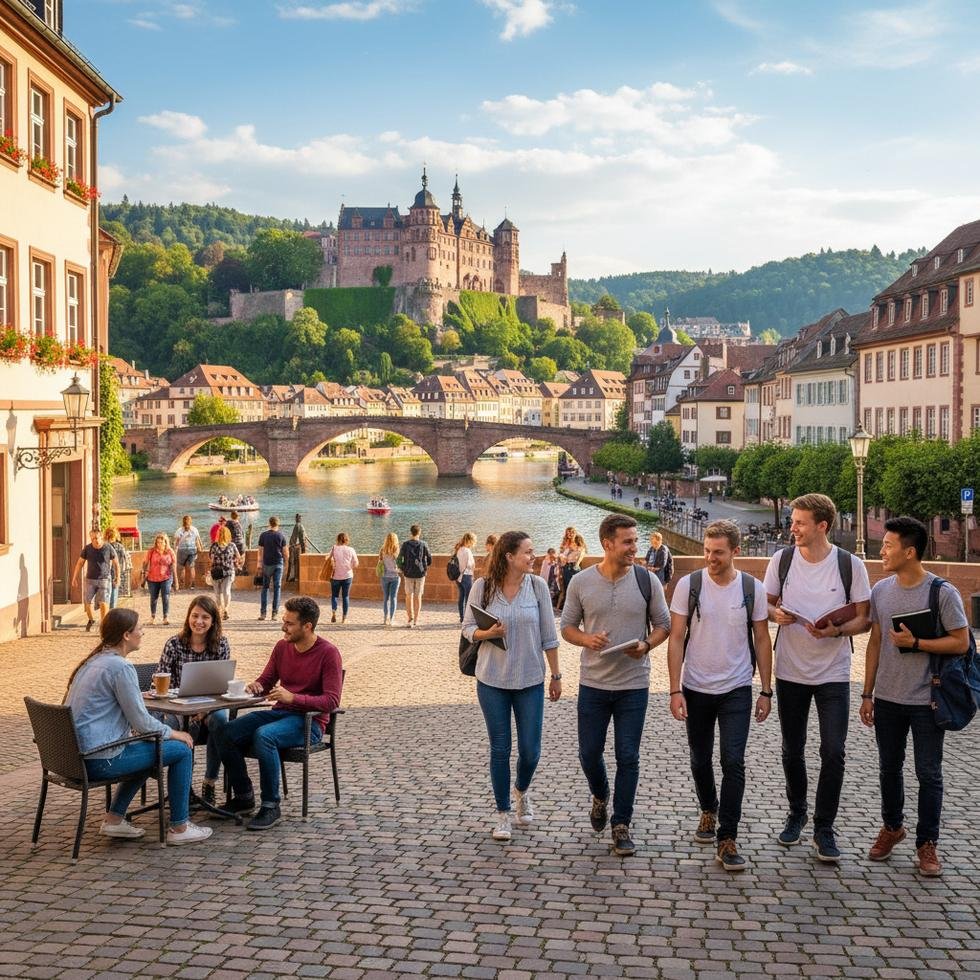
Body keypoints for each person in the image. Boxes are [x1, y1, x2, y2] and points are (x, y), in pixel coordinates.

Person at [861, 516, 971, 877]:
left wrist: (918, 643)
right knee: (889, 769)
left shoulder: (942, 592)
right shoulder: (881, 591)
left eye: (889, 545)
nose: (882, 551)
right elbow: (875, 641)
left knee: (929, 773)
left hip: (928, 700)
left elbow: (962, 641)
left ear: (910, 552)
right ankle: (893, 827)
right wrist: (867, 693)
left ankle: (927, 844)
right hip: (889, 699)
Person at [765, 492, 871, 863]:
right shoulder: (782, 560)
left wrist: (837, 632)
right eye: (793, 521)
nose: (792, 528)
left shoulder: (849, 565)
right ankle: (797, 812)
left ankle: (824, 827)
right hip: (791, 670)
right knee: (792, 750)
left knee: (834, 751)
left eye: (799, 523)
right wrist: (775, 614)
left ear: (821, 526)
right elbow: (766, 603)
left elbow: (864, 617)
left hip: (833, 674)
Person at [666, 520, 774, 872]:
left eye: (718, 552)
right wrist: (674, 688)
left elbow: (761, 639)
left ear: (735, 552)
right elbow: (677, 637)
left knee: (733, 761)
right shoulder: (689, 585)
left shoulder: (751, 588)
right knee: (700, 760)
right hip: (696, 686)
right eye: (707, 551)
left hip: (737, 688)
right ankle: (708, 808)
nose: (710, 558)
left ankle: (728, 836)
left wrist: (766, 690)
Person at [561, 514, 671, 856]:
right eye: (627, 542)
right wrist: (587, 639)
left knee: (628, 755)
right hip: (593, 683)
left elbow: (663, 625)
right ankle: (599, 794)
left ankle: (621, 823)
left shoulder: (646, 580)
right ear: (607, 544)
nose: (634, 548)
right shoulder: (581, 581)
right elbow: (566, 627)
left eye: (635, 541)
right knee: (589, 753)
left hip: (634, 685)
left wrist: (647, 645)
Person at [63, 608, 212, 845]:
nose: (143, 632)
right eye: (140, 628)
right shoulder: (120, 668)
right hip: (98, 760)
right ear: (126, 635)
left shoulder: (93, 661)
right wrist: (176, 733)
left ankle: (114, 820)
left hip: (72, 758)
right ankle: (180, 827)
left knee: (149, 746)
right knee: (181, 750)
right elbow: (142, 723)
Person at [462, 531, 561, 841]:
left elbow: (549, 635)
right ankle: (503, 813)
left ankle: (522, 790)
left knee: (531, 751)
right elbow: (467, 629)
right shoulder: (483, 587)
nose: (533, 557)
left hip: (530, 678)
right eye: (528, 552)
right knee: (500, 748)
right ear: (509, 556)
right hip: (492, 679)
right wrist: (487, 632)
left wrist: (556, 676)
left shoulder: (538, 587)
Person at [219, 596, 343, 830]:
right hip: (280, 713)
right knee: (226, 732)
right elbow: (266, 680)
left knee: (265, 735)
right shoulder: (281, 647)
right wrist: (256, 685)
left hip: (310, 723)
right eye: (283, 621)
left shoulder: (328, 653)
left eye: (289, 623)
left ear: (307, 626)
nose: (283, 627)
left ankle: (270, 805)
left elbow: (332, 700)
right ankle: (244, 796)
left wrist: (294, 698)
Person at [157, 594, 232, 805]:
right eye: (195, 616)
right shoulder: (174, 643)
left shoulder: (221, 645)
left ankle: (209, 782)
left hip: (210, 707)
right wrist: (184, 707)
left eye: (205, 617)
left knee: (221, 720)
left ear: (213, 621)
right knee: (170, 725)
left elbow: (222, 685)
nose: (199, 622)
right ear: (188, 617)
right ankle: (182, 787)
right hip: (178, 707)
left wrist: (205, 709)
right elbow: (161, 680)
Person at [70, 528, 119, 632]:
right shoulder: (87, 549)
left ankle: (103, 626)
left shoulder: (108, 547)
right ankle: (91, 620)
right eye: (92, 539)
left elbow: (116, 563)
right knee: (87, 603)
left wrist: (117, 577)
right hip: (90, 580)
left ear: (101, 537)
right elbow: (80, 563)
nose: (94, 541)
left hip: (104, 579)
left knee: (103, 603)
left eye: (96, 538)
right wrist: (74, 578)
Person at [397, 524, 432, 628]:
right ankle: (416, 620)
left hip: (408, 573)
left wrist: (403, 568)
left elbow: (399, 559)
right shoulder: (423, 544)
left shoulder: (405, 544)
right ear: (419, 533)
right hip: (420, 574)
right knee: (418, 596)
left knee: (409, 595)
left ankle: (409, 617)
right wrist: (424, 567)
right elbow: (429, 559)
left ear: (410, 533)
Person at [141, 533, 177, 626]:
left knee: (165, 597)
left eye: (161, 542)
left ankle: (165, 617)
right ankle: (152, 617)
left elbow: (173, 566)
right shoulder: (151, 551)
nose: (159, 544)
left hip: (166, 577)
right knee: (153, 597)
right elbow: (145, 562)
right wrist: (143, 573)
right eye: (158, 542)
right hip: (152, 578)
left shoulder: (170, 552)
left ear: (166, 542)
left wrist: (176, 581)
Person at [257, 516, 288, 622]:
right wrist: (286, 564)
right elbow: (285, 553)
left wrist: (259, 564)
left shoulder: (263, 535)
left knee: (265, 588)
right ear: (278, 524)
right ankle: (274, 614)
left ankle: (263, 613)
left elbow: (260, 551)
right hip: (278, 564)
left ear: (269, 523)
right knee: (277, 588)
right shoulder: (281, 536)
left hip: (266, 564)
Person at [209, 525, 243, 621]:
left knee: (217, 593)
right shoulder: (232, 545)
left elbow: (211, 560)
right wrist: (234, 562)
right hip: (228, 571)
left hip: (216, 572)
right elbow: (239, 557)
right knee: (226, 591)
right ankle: (226, 610)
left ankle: (220, 610)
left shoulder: (214, 546)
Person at [328, 532, 359, 625]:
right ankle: (344, 618)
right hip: (347, 576)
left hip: (335, 576)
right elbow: (356, 563)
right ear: (346, 540)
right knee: (345, 596)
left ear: (338, 539)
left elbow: (328, 558)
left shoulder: (334, 548)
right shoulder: (351, 549)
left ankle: (334, 612)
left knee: (334, 595)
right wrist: (350, 567)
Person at [173, 515, 203, 590]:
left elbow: (176, 542)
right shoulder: (195, 529)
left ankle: (181, 585)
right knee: (192, 567)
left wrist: (174, 550)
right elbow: (198, 540)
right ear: (191, 521)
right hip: (192, 550)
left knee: (181, 567)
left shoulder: (179, 530)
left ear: (182, 522)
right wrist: (201, 548)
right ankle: (192, 585)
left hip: (182, 550)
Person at [453, 532, 477, 623]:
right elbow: (468, 565)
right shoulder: (467, 551)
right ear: (470, 541)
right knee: (469, 598)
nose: (474, 544)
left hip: (458, 577)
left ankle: (462, 617)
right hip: (466, 576)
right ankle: (468, 619)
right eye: (474, 541)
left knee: (461, 597)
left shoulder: (459, 549)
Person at [378, 532, 401, 626]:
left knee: (385, 598)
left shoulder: (382, 550)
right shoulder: (396, 550)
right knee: (393, 598)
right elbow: (399, 563)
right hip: (395, 576)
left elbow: (380, 562)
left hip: (384, 576)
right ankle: (391, 619)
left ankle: (385, 618)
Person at [104, 527, 130, 610]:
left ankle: (107, 614)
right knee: (113, 596)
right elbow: (124, 561)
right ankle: (112, 614)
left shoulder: (104, 546)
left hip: (105, 573)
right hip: (116, 573)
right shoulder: (120, 546)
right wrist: (121, 573)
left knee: (106, 595)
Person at [287, 513, 308, 583]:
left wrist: (296, 546)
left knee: (293, 562)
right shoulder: (299, 526)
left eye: (298, 518)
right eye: (297, 518)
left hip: (295, 548)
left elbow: (302, 539)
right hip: (295, 547)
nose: (297, 519)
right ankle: (293, 577)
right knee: (293, 562)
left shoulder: (298, 526)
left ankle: (293, 577)